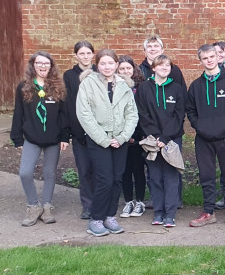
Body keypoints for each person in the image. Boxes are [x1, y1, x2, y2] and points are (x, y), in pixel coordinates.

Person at [77, 49, 139, 237]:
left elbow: (132, 114)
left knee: (117, 179)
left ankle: (110, 216)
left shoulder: (124, 86)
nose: (107, 67)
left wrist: (121, 137)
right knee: (104, 180)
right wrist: (103, 139)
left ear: (116, 65)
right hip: (98, 140)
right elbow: (84, 114)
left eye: (110, 63)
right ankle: (96, 219)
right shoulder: (88, 84)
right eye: (103, 63)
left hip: (120, 140)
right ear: (97, 64)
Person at [186, 44, 225, 228]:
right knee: (206, 176)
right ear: (200, 61)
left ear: (219, 57)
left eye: (212, 56)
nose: (209, 60)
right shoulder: (195, 86)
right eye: (205, 58)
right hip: (203, 139)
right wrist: (200, 128)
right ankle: (208, 212)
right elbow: (191, 111)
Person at [11, 52, 69, 226]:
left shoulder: (58, 86)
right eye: (39, 63)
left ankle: (46, 206)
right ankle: (33, 205)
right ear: (33, 65)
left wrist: (65, 136)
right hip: (31, 138)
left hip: (54, 138)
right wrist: (17, 139)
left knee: (50, 173)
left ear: (51, 66)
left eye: (46, 63)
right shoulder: (24, 87)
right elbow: (18, 113)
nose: (43, 66)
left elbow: (63, 115)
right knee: (25, 172)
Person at [135, 54, 186, 227]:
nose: (165, 68)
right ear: (154, 68)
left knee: (171, 177)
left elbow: (179, 116)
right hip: (151, 140)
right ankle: (158, 212)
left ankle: (170, 214)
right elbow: (142, 114)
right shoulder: (144, 88)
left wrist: (165, 137)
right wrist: (156, 137)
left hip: (171, 140)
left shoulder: (177, 89)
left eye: (168, 66)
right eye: (161, 65)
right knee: (155, 177)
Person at [64, 40, 96, 219]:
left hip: (99, 131)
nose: (85, 56)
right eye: (81, 53)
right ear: (76, 55)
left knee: (99, 170)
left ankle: (100, 203)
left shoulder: (100, 72)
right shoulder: (69, 76)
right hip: (79, 131)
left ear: (93, 54)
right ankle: (88, 205)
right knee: (84, 170)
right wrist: (73, 131)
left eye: (88, 53)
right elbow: (69, 104)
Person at [117, 56, 147, 219]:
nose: (125, 71)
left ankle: (140, 201)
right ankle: (128, 201)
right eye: (121, 69)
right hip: (121, 137)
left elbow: (143, 113)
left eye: (128, 68)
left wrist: (135, 136)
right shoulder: (114, 87)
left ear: (134, 69)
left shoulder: (141, 88)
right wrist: (123, 135)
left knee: (138, 169)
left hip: (137, 136)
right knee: (125, 171)